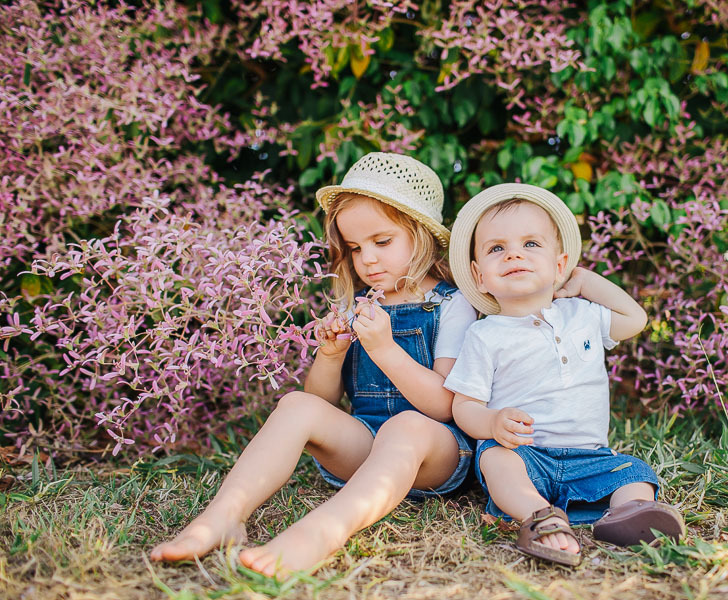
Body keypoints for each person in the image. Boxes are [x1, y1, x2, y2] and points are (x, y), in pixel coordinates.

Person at [151, 152, 476, 577]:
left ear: (422, 236)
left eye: (382, 242)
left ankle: (323, 532)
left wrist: (384, 349)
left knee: (407, 426)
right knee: (295, 405)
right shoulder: (356, 304)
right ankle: (225, 515)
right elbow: (321, 403)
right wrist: (331, 354)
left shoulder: (451, 306)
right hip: (366, 447)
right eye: (356, 248)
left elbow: (444, 407)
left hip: (434, 455)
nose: (368, 261)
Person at [443, 183, 685, 567]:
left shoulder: (583, 315)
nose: (514, 254)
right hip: (526, 457)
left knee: (633, 470)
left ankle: (630, 512)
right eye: (496, 249)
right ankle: (539, 515)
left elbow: (636, 319)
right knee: (493, 458)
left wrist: (584, 280)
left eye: (531, 245)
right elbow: (464, 406)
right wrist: (492, 421)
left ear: (559, 265)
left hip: (590, 457)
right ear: (479, 276)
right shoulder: (485, 334)